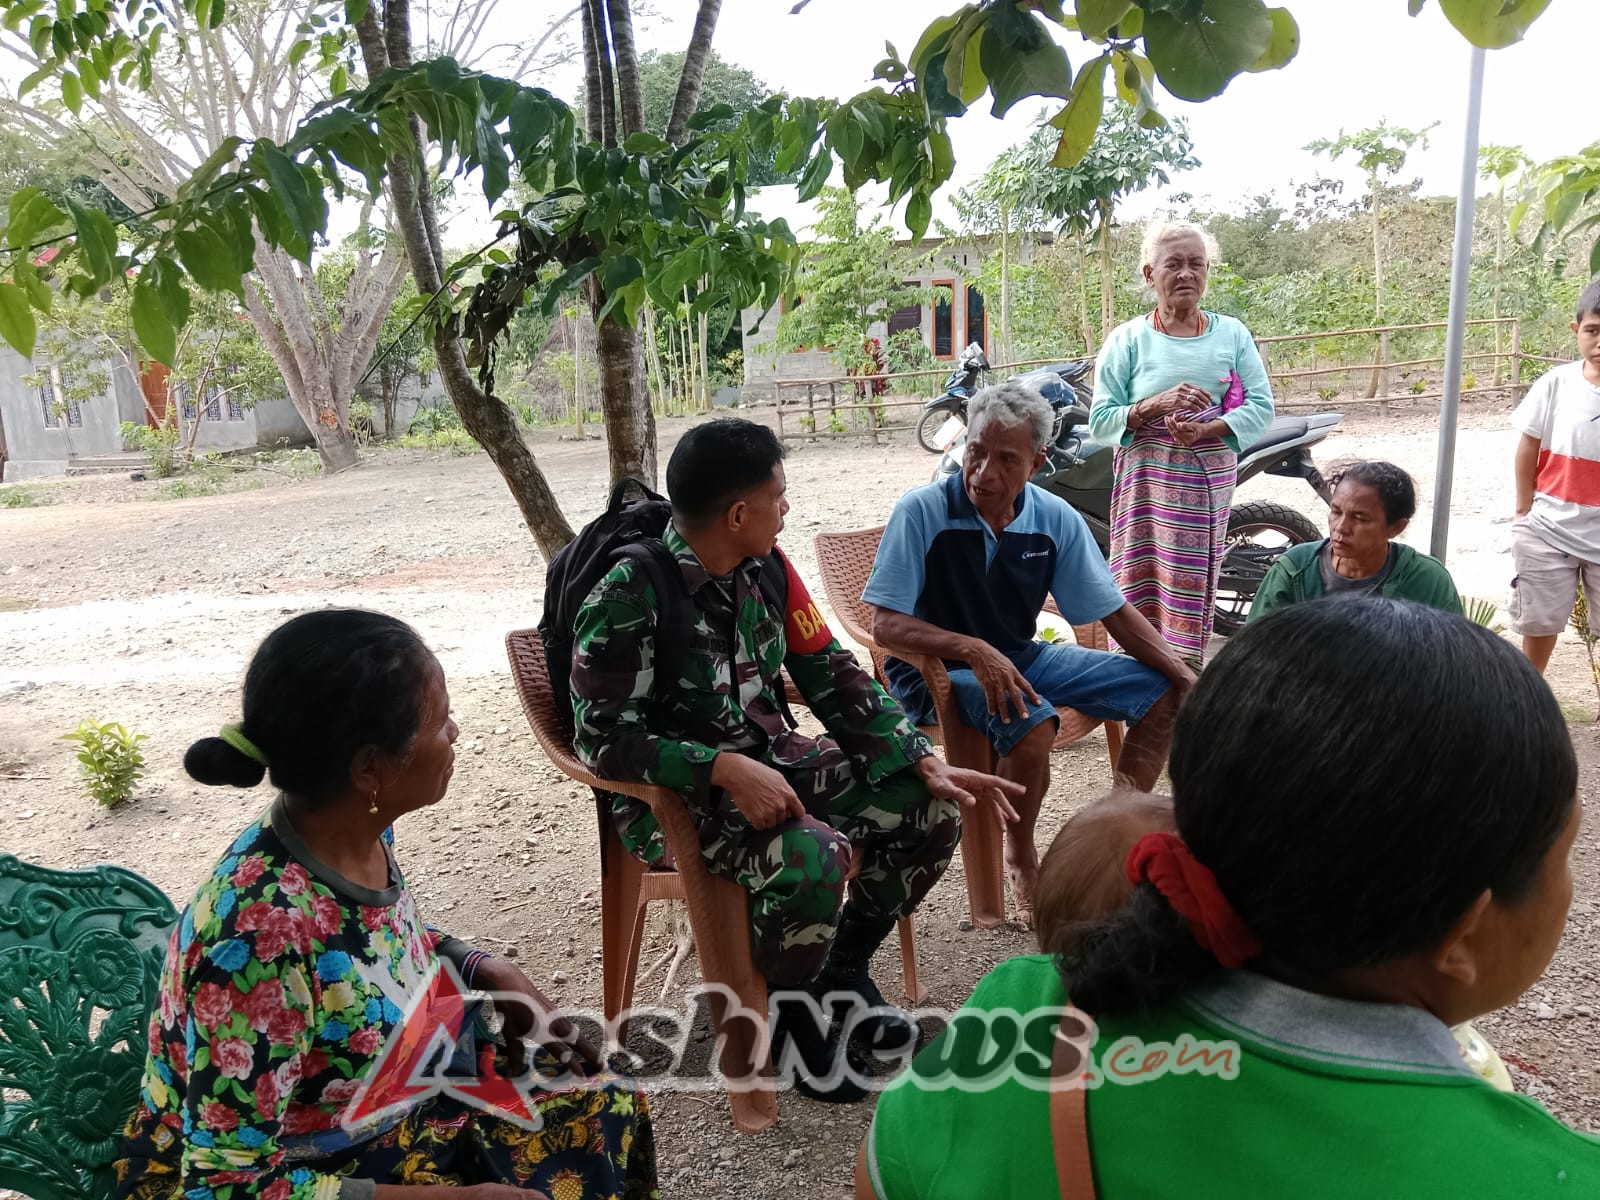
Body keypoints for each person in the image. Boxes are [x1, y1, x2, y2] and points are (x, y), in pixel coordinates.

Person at [858, 599, 1586, 1199]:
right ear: (1464, 931)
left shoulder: (1019, 1014)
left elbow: (881, 1174)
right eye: (1564, 857)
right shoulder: (1540, 1177)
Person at [117, 609, 658, 1200]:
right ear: (370, 766)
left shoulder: (349, 829)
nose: (455, 734)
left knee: (604, 1093)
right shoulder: (255, 943)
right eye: (441, 721)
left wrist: (486, 970)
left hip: (383, 1102)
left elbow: (374, 942)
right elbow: (224, 1186)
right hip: (295, 1169)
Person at [569, 418, 1021, 1102]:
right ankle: (794, 1012)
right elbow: (602, 739)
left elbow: (830, 670)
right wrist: (719, 768)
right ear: (738, 512)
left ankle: (839, 972)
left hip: (773, 761)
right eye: (780, 497)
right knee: (812, 857)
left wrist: (912, 756)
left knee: (928, 809)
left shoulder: (769, 570)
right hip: (676, 799)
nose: (789, 509)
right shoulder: (631, 593)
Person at [864, 381, 1195, 927]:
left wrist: (1183, 675)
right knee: (1032, 721)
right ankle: (1020, 850)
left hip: (1020, 655)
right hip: (937, 674)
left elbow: (1113, 612)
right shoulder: (922, 511)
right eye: (975, 451)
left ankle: (1109, 826)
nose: (983, 473)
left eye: (1006, 459)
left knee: (1161, 693)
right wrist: (971, 649)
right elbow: (885, 624)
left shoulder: (1053, 517)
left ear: (1037, 461)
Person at [1090, 221, 1275, 662]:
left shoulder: (1232, 335)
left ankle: (1185, 669)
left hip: (1203, 490)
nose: (1186, 274)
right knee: (1137, 576)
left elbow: (1261, 408)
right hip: (1146, 489)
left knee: (1191, 581)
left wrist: (1206, 429)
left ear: (1208, 271)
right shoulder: (1127, 340)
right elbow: (1101, 421)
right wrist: (1154, 405)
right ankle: (1134, 669)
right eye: (1174, 264)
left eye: (1196, 264)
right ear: (1149, 274)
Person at [1510, 276, 1600, 673]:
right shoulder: (1555, 385)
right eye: (1593, 331)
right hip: (1547, 530)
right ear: (1575, 329)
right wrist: (1522, 512)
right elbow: (1528, 448)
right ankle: (1528, 714)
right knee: (1540, 628)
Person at [1250, 461, 1462, 620]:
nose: (1340, 527)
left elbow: (1451, 660)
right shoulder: (1295, 570)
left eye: (1359, 518)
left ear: (1396, 527)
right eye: (1336, 511)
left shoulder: (1428, 581)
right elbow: (1254, 650)